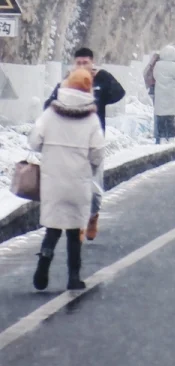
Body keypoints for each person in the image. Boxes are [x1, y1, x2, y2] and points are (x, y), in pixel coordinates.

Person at [27, 67, 105, 293]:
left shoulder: (50, 114)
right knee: (73, 231)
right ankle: (73, 276)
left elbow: (34, 141)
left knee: (53, 227)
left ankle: (44, 261)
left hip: (53, 181)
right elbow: (98, 153)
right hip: (78, 182)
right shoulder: (91, 119)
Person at [45, 43, 125, 241]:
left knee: (95, 190)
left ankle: (93, 215)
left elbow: (118, 93)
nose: (82, 65)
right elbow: (49, 104)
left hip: (94, 143)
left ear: (92, 63)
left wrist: (102, 78)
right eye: (78, 63)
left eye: (85, 63)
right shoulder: (67, 82)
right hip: (70, 144)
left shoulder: (101, 79)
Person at [148, 44, 175, 144]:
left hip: (160, 92)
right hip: (171, 92)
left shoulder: (158, 65)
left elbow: (155, 75)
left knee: (160, 115)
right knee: (170, 116)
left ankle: (162, 136)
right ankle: (171, 135)